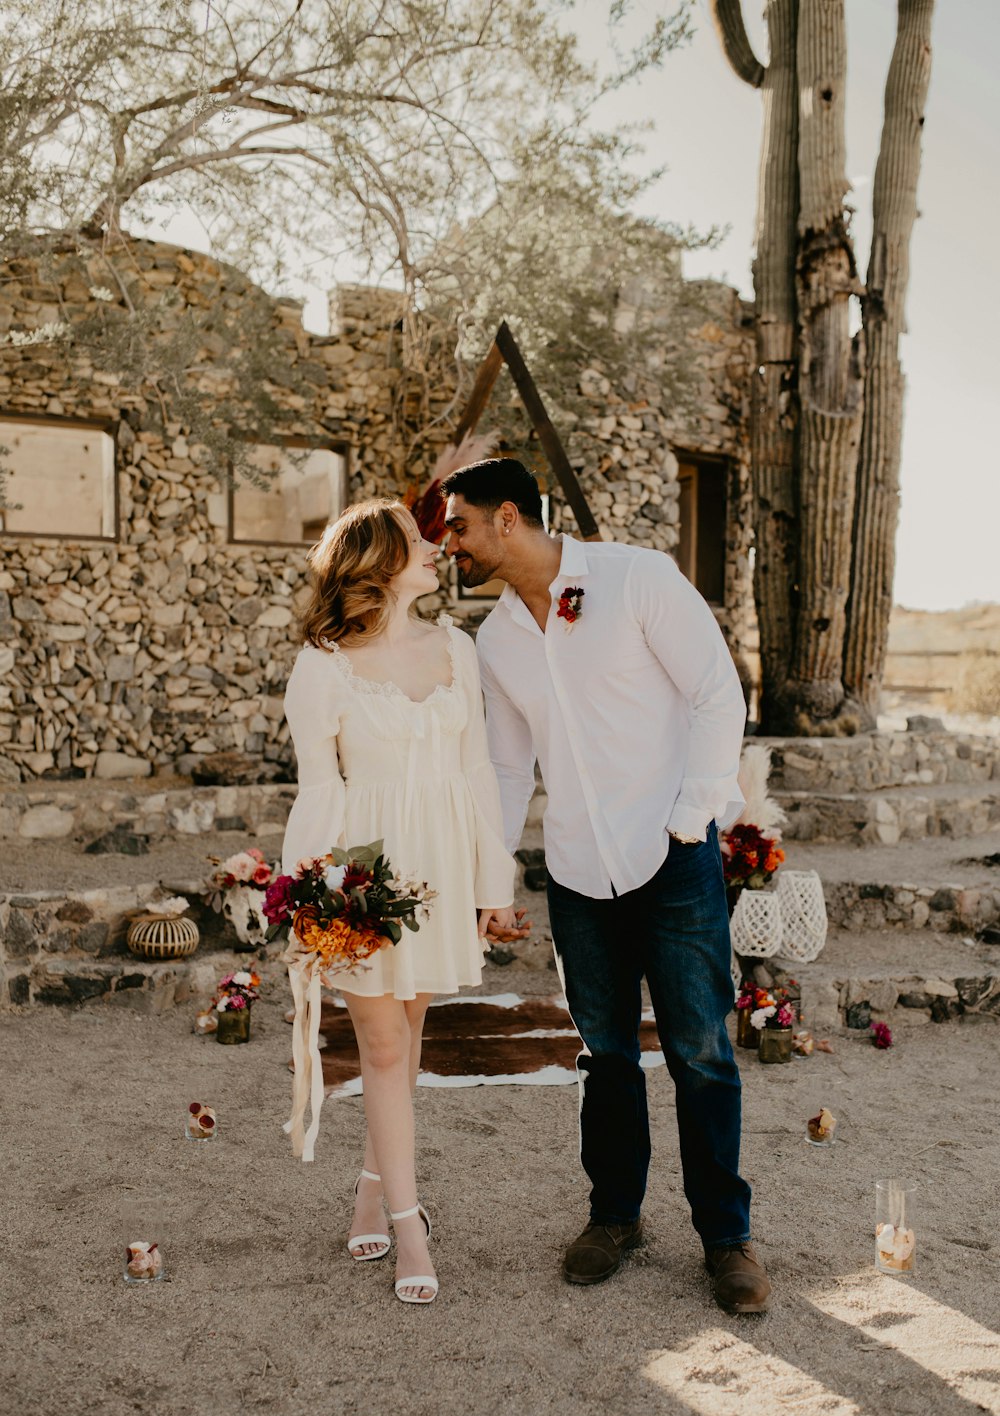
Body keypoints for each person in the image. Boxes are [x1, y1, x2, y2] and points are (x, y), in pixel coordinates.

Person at [441, 458, 772, 1315]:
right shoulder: (497, 641)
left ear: (507, 517)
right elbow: (510, 768)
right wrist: (493, 874)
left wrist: (692, 814)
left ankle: (725, 1238)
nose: (453, 543)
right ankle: (615, 1217)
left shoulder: (636, 579)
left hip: (675, 857)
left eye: (460, 525)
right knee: (605, 1054)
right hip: (580, 871)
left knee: (702, 1050)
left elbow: (715, 692)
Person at [281, 499, 525, 1305]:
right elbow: (319, 791)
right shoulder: (323, 664)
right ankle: (410, 1223)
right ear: (377, 564)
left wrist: (495, 885)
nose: (435, 547)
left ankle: (371, 1185)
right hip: (366, 875)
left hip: (442, 867)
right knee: (383, 1047)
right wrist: (312, 900)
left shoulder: (456, 646)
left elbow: (479, 773)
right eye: (418, 541)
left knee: (410, 1032)